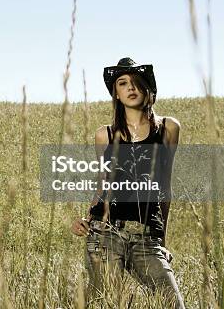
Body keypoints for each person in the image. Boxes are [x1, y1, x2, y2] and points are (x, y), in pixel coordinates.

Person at [70, 57, 185, 308]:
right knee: (107, 303)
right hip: (105, 233)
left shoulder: (168, 128)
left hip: (146, 238)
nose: (130, 88)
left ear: (147, 89)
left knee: (174, 303)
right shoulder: (106, 135)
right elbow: (103, 183)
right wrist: (86, 218)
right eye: (123, 83)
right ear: (117, 94)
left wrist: (161, 241)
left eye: (136, 82)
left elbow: (164, 186)